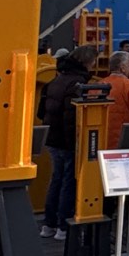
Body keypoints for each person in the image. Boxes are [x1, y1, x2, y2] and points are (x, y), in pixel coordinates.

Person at [38, 46, 98, 240]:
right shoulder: (78, 83)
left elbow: (41, 112)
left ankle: (49, 224)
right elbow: (72, 118)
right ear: (87, 62)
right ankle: (64, 225)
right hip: (67, 140)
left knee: (56, 180)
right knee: (68, 182)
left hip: (52, 138)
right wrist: (76, 142)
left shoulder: (56, 79)